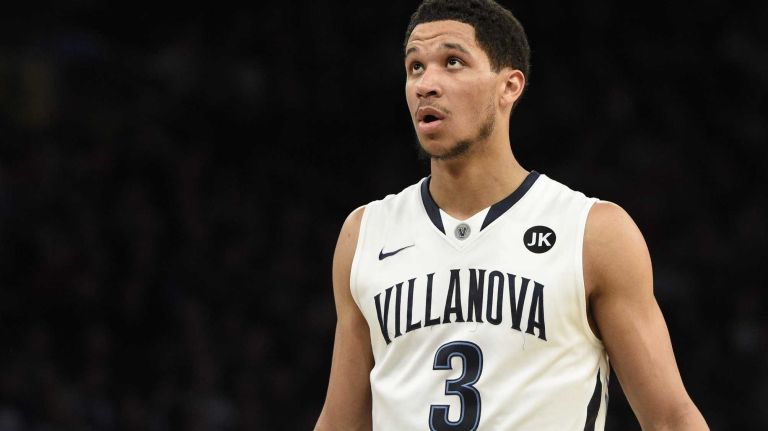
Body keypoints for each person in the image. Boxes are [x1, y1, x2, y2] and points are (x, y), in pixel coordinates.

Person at [316, 0, 708, 429]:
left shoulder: (592, 232)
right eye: (415, 67)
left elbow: (670, 417)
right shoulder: (365, 233)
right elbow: (340, 423)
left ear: (510, 86)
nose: (427, 83)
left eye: (452, 62)